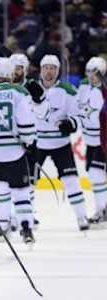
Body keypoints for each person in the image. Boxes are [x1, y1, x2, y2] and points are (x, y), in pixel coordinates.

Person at [0, 57, 38, 245]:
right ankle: (26, 229)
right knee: (21, 192)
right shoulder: (18, 91)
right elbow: (26, 121)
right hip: (12, 152)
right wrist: (28, 141)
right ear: (10, 74)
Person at [35, 55, 90, 231]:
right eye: (46, 67)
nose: (49, 71)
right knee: (25, 183)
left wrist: (71, 124)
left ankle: (82, 217)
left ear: (57, 71)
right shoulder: (31, 89)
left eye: (53, 68)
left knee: (72, 180)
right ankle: (24, 219)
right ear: (41, 69)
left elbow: (78, 116)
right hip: (36, 143)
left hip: (60, 143)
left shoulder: (68, 90)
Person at [77, 57, 107, 224]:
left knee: (96, 174)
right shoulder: (83, 86)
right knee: (94, 173)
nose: (91, 75)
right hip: (90, 139)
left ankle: (102, 210)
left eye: (95, 72)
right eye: (88, 71)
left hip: (102, 139)